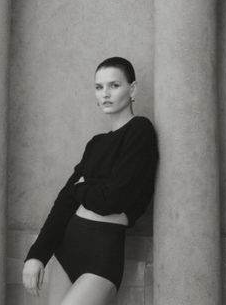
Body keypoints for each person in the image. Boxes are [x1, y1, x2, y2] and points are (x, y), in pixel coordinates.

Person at [22, 56, 159, 305]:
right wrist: (37, 256)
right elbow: (64, 202)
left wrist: (80, 188)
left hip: (103, 253)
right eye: (99, 87)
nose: (105, 93)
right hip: (66, 251)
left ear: (133, 89)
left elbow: (113, 200)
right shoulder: (95, 144)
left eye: (114, 85)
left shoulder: (140, 131)